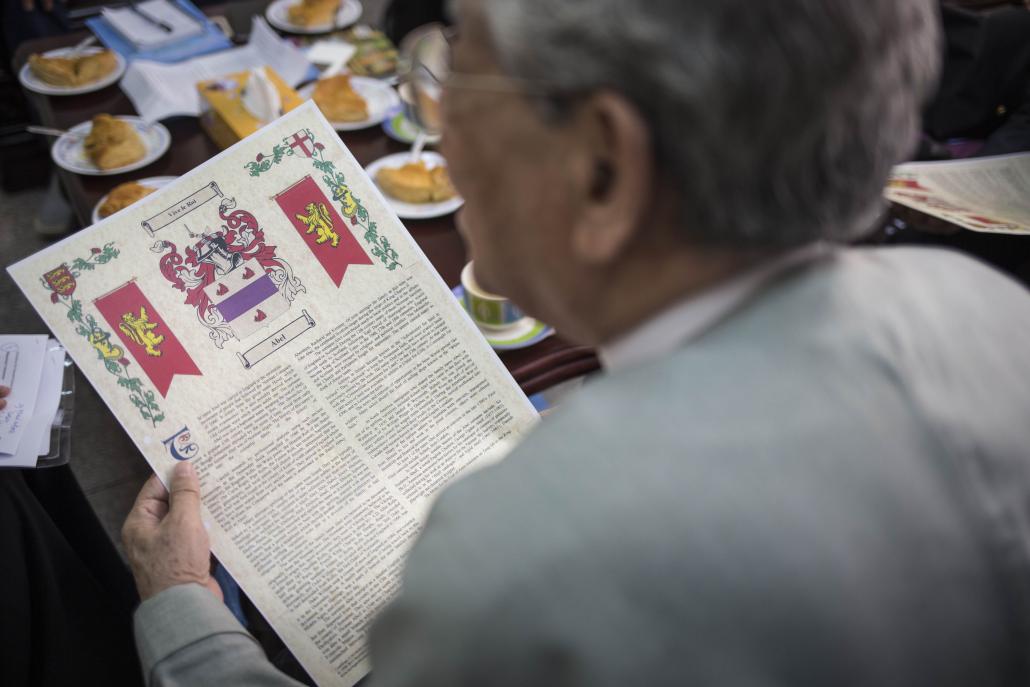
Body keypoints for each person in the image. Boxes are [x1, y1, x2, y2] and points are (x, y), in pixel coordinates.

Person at [123, 0, 1030, 685]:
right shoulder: (995, 313)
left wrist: (184, 615)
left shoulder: (521, 559)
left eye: (457, 72)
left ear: (604, 167)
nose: (437, 129)